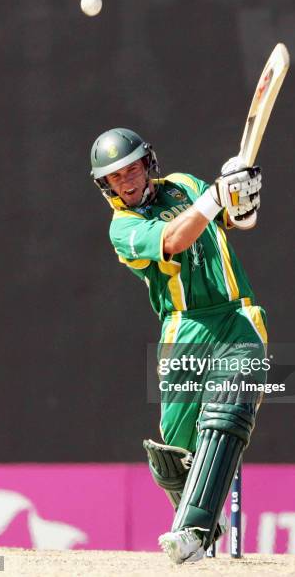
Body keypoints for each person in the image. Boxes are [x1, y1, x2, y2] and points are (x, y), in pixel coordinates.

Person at [90, 127, 268, 563]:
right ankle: (199, 518)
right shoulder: (124, 227)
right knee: (174, 454)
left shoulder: (186, 185)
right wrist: (215, 196)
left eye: (132, 168)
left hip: (235, 316)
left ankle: (191, 530)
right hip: (182, 328)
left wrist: (240, 192)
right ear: (106, 185)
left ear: (148, 164)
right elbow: (174, 239)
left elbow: (242, 221)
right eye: (115, 177)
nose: (127, 181)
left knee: (227, 410)